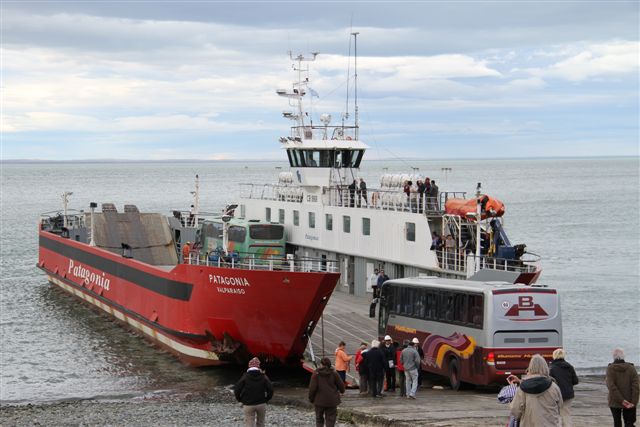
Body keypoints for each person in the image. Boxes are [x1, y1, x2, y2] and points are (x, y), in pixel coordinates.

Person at [510, 354, 563, 427]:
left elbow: (515, 411)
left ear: (530, 368)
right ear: (545, 367)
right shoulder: (554, 387)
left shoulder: (522, 388)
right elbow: (560, 406)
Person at [234, 357, 274, 427]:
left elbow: (237, 389)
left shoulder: (245, 376)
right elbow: (271, 389)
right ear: (258, 366)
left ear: (249, 366)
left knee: (249, 423)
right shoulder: (263, 376)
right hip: (261, 403)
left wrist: (240, 399)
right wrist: (266, 399)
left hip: (248, 404)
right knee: (261, 423)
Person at [606, 347, 639, 427]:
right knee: (629, 423)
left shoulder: (610, 369)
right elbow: (636, 387)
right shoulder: (631, 368)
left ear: (613, 357)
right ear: (624, 356)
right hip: (630, 400)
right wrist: (633, 403)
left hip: (614, 401)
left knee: (617, 423)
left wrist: (622, 400)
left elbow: (612, 387)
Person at [309, 357, 345, 427]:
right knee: (331, 419)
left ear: (321, 364)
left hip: (319, 401)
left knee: (319, 418)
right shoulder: (334, 373)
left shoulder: (316, 374)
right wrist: (342, 391)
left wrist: (311, 398)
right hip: (332, 400)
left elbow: (312, 388)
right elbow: (341, 386)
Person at [549, 348, 579, 427]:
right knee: (566, 415)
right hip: (568, 395)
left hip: (555, 395)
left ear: (554, 356)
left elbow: (549, 382)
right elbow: (575, 381)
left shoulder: (551, 368)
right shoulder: (569, 367)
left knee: (556, 416)